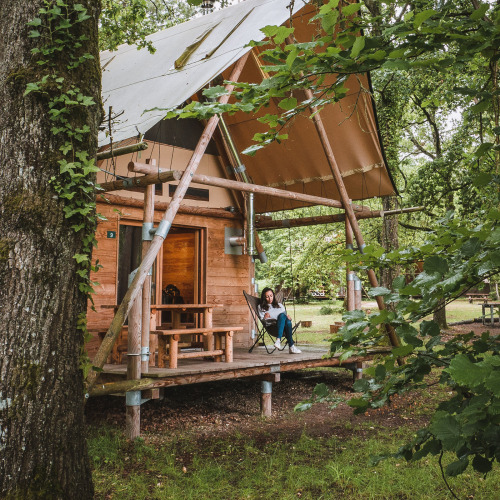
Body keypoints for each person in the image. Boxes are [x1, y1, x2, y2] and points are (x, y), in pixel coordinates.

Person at [257, 287, 301, 354]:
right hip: (272, 328)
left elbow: (286, 319)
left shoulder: (280, 305)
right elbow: (263, 320)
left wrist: (289, 318)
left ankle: (278, 340)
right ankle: (291, 346)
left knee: (285, 319)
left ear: (273, 296)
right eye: (267, 297)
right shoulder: (261, 307)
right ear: (264, 298)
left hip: (283, 328)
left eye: (271, 296)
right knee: (283, 317)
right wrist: (265, 317)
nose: (270, 298)